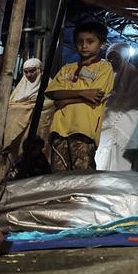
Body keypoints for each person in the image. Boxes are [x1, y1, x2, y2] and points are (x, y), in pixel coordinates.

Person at [45, 21, 115, 172]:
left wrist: (66, 99)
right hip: (59, 127)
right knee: (58, 175)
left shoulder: (104, 68)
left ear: (101, 44)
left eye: (90, 41)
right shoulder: (67, 68)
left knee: (82, 176)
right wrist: (82, 93)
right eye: (80, 42)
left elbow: (97, 95)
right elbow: (54, 93)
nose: (84, 45)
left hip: (84, 128)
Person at [95, 42, 138, 171]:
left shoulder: (135, 76)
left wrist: (110, 107)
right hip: (101, 126)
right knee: (100, 160)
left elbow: (134, 104)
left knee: (117, 165)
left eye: (115, 57)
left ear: (124, 58)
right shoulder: (103, 74)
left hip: (123, 126)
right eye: (109, 57)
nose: (111, 61)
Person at [0, 58, 54, 179]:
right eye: (26, 72)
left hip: (37, 132)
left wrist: (32, 108)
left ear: (39, 71)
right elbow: (11, 107)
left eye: (32, 71)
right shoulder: (19, 91)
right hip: (19, 135)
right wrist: (27, 108)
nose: (29, 75)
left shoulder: (49, 87)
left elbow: (49, 105)